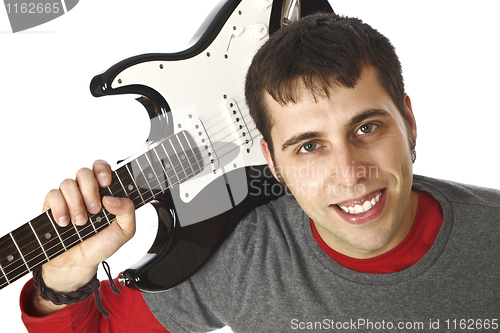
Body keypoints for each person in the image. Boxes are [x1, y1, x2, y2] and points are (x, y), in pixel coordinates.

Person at [20, 13, 500, 333]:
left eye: (367, 127)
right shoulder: (244, 256)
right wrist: (62, 281)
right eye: (309, 145)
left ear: (409, 121)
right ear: (272, 162)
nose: (348, 173)